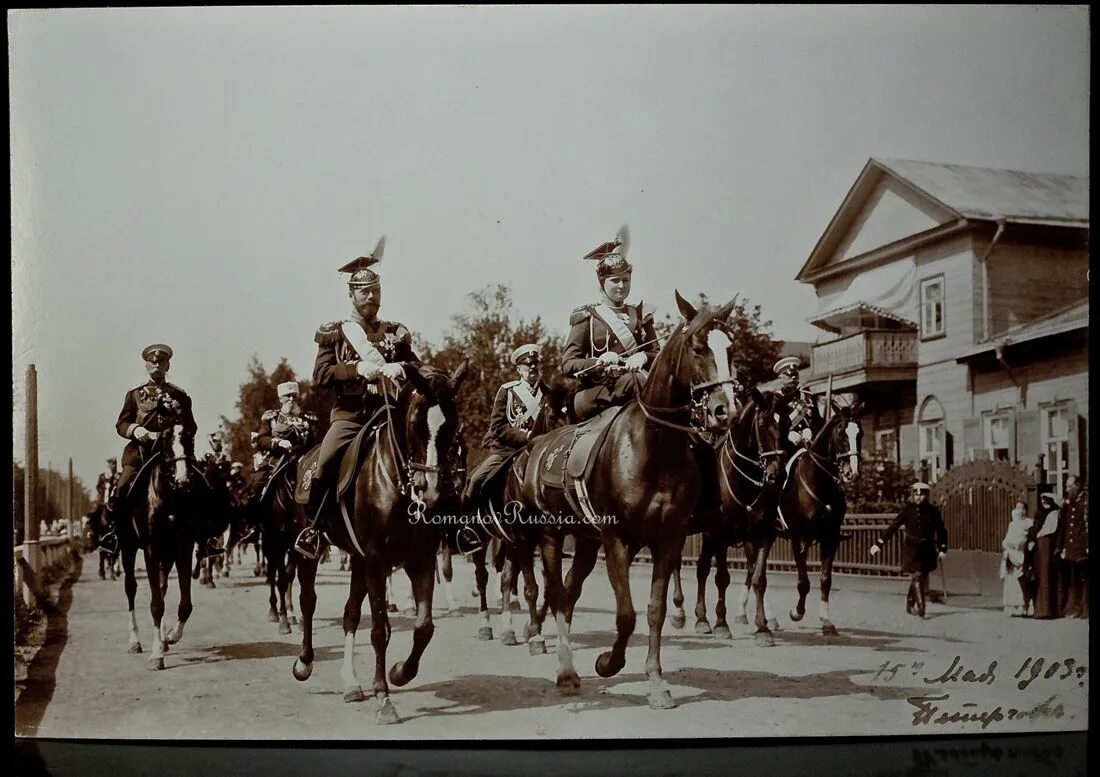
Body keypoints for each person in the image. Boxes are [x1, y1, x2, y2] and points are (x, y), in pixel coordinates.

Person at [295, 237, 420, 559]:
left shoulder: (396, 332)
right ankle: (315, 528)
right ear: (350, 294)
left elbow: (419, 369)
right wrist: (355, 369)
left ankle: (445, 527)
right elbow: (320, 376)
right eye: (364, 291)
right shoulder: (335, 332)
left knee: (431, 457)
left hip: (391, 413)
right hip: (351, 417)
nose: (371, 296)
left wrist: (401, 367)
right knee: (324, 464)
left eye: (375, 291)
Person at [100, 344, 223, 559]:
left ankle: (206, 539)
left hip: (173, 453)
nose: (157, 365)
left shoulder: (180, 396)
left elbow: (191, 426)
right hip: (140, 453)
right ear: (147, 365)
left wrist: (177, 433)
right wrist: (136, 430)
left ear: (168, 365)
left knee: (204, 487)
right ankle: (113, 535)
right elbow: (121, 424)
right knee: (121, 487)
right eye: (153, 362)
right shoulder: (135, 394)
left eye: (161, 362)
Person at [560, 225, 658, 422]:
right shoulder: (586, 316)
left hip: (636, 386)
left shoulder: (640, 314)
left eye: (626, 280)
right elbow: (568, 364)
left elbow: (657, 354)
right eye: (615, 281)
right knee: (635, 381)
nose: (622, 286)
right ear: (602, 283)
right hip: (595, 393)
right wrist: (598, 362)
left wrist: (643, 357)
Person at [462, 344, 550, 510]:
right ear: (519, 369)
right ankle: (464, 522)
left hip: (541, 451)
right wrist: (527, 436)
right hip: (507, 451)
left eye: (535, 364)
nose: (532, 367)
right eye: (528, 364)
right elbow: (498, 426)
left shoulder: (548, 394)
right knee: (476, 480)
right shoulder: (507, 391)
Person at [869, 482, 948, 618]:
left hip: (927, 548)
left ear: (926, 495)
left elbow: (941, 530)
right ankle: (921, 606)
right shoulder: (908, 510)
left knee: (921, 576)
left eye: (922, 494)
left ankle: (910, 603)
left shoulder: (933, 511)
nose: (919, 497)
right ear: (913, 495)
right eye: (916, 495)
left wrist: (943, 548)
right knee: (917, 576)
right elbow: (893, 527)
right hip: (912, 548)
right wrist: (879, 543)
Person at [245, 381, 318, 507]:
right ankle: (254, 523)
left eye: (294, 396)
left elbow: (315, 442)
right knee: (257, 485)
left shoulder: (308, 418)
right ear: (280, 399)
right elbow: (262, 439)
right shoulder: (272, 417)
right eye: (288, 396)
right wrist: (278, 443)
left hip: (303, 460)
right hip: (278, 460)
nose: (291, 399)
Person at [1058, 476, 1088, 619]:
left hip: (1083, 548)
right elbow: (1067, 527)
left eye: (1069, 486)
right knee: (1074, 580)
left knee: (1085, 580)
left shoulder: (1085, 502)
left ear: (1077, 486)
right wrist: (1064, 547)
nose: (1067, 489)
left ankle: (1086, 609)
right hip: (1072, 548)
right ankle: (1076, 608)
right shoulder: (1071, 504)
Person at [1029, 492, 1062, 619]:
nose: (1044, 502)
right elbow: (1035, 528)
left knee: (1047, 576)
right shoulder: (1040, 513)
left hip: (1048, 547)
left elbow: (1054, 531)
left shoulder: (1054, 514)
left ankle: (1048, 610)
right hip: (1039, 548)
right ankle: (1041, 608)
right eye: (1042, 499)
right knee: (1040, 576)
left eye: (1046, 500)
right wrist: (1032, 540)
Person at [774, 356, 818, 450]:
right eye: (789, 375)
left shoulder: (807, 396)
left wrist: (811, 429)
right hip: (787, 446)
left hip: (811, 443)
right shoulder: (776, 399)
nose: (793, 377)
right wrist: (787, 433)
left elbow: (817, 418)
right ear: (780, 378)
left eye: (795, 374)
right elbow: (776, 425)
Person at [999, 502, 1032, 616]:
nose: (1019, 511)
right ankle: (1011, 605)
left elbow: (1026, 538)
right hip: (1010, 555)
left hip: (1020, 554)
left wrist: (1018, 543)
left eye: (1022, 508)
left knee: (1020, 581)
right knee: (1011, 582)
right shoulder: (1012, 524)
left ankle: (1022, 606)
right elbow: (1007, 539)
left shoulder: (1028, 523)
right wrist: (1006, 544)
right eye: (1017, 508)